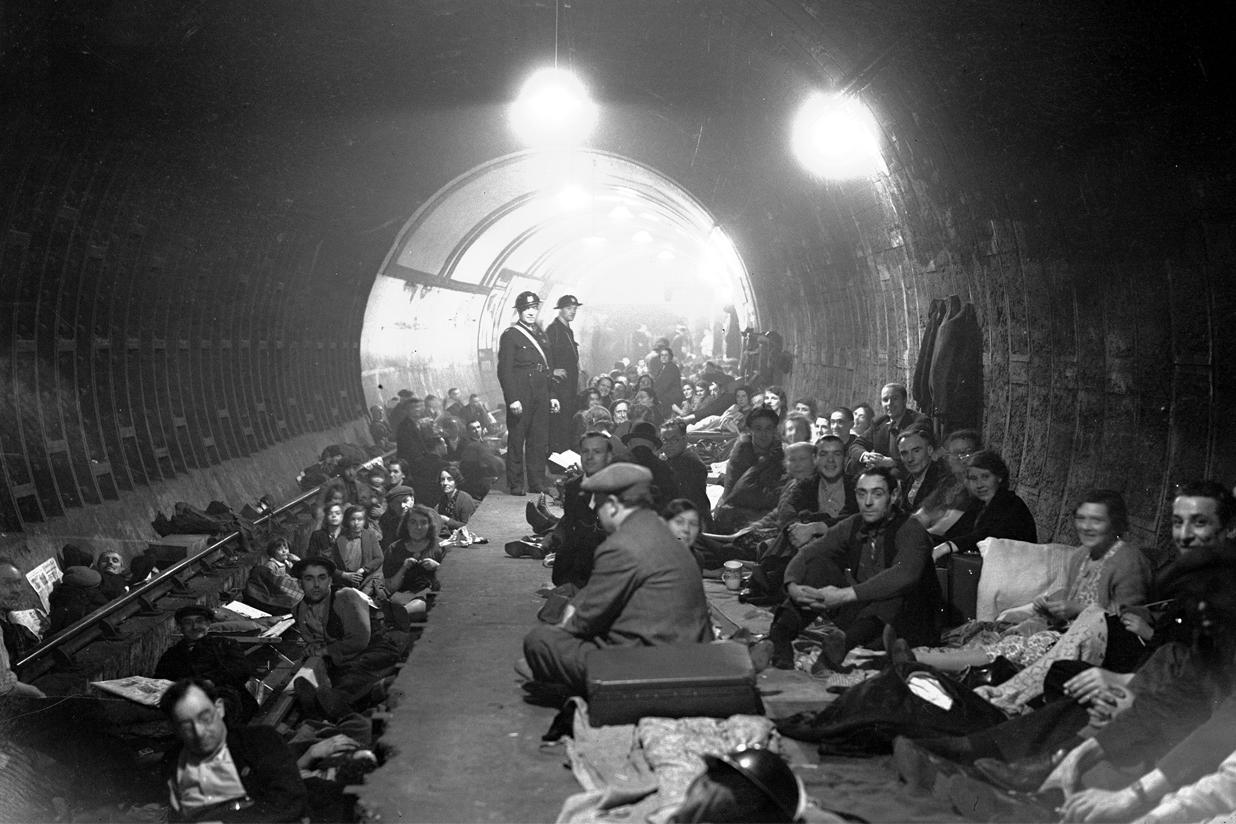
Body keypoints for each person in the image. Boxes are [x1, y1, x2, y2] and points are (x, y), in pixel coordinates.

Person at [520, 464, 712, 694]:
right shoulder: (666, 534)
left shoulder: (620, 545)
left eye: (598, 506)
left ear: (611, 506)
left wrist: (568, 619)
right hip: (692, 656)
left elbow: (582, 621)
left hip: (650, 668)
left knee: (540, 640)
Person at [759, 466, 940, 671]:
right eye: (862, 494)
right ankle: (780, 638)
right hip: (864, 617)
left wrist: (844, 595)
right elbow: (808, 553)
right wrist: (792, 585)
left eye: (877, 494)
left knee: (893, 589)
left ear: (894, 495)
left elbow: (904, 574)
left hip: (906, 624)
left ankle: (841, 646)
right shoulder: (854, 523)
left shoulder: (911, 528)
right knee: (817, 566)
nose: (868, 502)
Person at [159, 678, 309, 822]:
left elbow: (290, 801)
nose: (199, 731)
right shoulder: (175, 763)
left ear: (219, 708)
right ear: (175, 729)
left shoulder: (261, 741)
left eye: (204, 718)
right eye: (186, 726)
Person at [291, 558, 405, 700]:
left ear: (330, 580)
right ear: (300, 583)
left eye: (322, 578)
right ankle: (320, 702)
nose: (316, 585)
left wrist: (323, 650)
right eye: (309, 579)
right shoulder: (299, 610)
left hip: (375, 652)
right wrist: (313, 647)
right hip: (343, 657)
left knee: (350, 678)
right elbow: (315, 640)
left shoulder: (345, 596)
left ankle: (329, 703)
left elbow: (359, 641)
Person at [155, 605, 258, 723]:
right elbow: (160, 680)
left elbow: (242, 669)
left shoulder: (225, 645)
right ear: (180, 628)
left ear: (208, 624)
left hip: (224, 696)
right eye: (188, 623)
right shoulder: (172, 654)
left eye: (200, 621)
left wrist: (212, 681)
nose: (194, 627)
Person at [498, 291, 557, 495]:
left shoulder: (540, 334)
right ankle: (515, 483)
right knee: (517, 439)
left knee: (538, 439)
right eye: (526, 309)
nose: (531, 312)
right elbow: (504, 371)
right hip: (521, 393)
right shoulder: (511, 335)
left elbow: (549, 366)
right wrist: (512, 398)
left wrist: (553, 395)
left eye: (533, 308)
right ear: (520, 311)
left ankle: (536, 481)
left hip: (541, 391)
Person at [932, 449, 1037, 560]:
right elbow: (956, 534)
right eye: (973, 478)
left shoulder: (1010, 503)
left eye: (985, 477)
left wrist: (945, 547)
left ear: (999, 477)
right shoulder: (979, 504)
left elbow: (985, 537)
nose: (979, 485)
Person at [545, 431, 613, 589]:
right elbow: (570, 529)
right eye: (585, 451)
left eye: (597, 452)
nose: (590, 457)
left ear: (608, 457)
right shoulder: (573, 486)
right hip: (575, 568)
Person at [383, 505, 446, 626]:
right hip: (401, 597)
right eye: (413, 522)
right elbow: (390, 588)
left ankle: (399, 617)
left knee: (423, 602)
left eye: (423, 522)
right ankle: (398, 616)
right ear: (406, 525)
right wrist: (403, 568)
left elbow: (453, 581)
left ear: (430, 525)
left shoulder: (440, 546)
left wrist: (437, 567)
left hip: (430, 598)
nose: (418, 527)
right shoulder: (395, 548)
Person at [311, 504, 383, 595]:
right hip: (342, 582)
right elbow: (328, 563)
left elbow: (379, 558)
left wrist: (363, 570)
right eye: (353, 519)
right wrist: (344, 575)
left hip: (365, 580)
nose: (356, 523)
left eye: (360, 519)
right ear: (347, 521)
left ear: (364, 521)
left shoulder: (370, 535)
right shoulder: (340, 538)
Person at [862, 382, 931, 471]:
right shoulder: (879, 422)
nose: (889, 404)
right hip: (885, 478)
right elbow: (857, 444)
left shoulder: (919, 421)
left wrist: (891, 462)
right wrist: (866, 456)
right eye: (885, 400)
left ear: (904, 400)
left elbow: (921, 456)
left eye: (894, 398)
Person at [660, 420, 711, 530]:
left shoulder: (689, 462)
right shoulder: (674, 459)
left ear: (685, 439)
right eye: (664, 440)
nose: (668, 445)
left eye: (674, 440)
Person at [547, 294, 582, 453]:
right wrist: (551, 371)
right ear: (560, 310)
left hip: (569, 388)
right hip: (558, 388)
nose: (572, 311)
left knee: (567, 424)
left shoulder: (567, 330)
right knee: (559, 426)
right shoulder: (553, 330)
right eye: (569, 308)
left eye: (574, 309)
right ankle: (558, 460)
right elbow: (543, 356)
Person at [620, 421, 681, 509]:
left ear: (629, 444)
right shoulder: (665, 469)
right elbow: (673, 506)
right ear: (655, 447)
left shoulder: (615, 463)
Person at [896, 426, 947, 512]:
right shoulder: (906, 482)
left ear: (930, 450)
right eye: (904, 453)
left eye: (916, 451)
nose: (910, 459)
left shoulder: (943, 483)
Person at [436, 464, 477, 532]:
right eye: (442, 479)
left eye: (450, 479)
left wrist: (447, 520)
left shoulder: (465, 499)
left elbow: (468, 527)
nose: (445, 483)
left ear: (456, 482)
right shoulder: (443, 498)